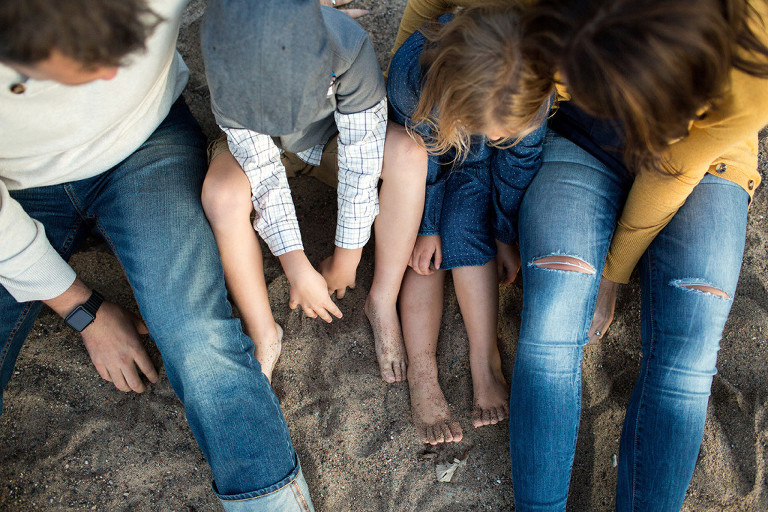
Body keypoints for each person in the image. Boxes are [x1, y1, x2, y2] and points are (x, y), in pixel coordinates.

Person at [392, 0, 768, 509]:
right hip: (580, 136)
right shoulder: (544, 27)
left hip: (702, 161)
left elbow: (671, 170)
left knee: (690, 351)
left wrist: (614, 273)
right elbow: (430, 15)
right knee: (551, 320)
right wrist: (407, 110)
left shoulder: (754, 65)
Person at [0, 0, 333, 509]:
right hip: (14, 184)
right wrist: (82, 311)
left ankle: (268, 498)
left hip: (145, 142)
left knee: (195, 330)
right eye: (84, 65)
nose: (114, 72)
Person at [386, 6, 551, 444]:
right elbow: (424, 159)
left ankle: (485, 359)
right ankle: (423, 370)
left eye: (506, 130)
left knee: (465, 223)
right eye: (491, 129)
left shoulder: (530, 85)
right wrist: (425, 226)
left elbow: (518, 161)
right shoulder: (413, 78)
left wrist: (504, 232)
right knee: (421, 255)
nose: (498, 135)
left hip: (482, 167)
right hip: (431, 156)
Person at [199, 3, 387, 383]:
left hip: (324, 140)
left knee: (403, 158)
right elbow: (263, 170)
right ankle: (264, 331)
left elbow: (361, 160)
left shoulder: (347, 47)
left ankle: (384, 299)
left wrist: (347, 257)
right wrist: (296, 266)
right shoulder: (226, 57)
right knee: (222, 194)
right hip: (254, 150)